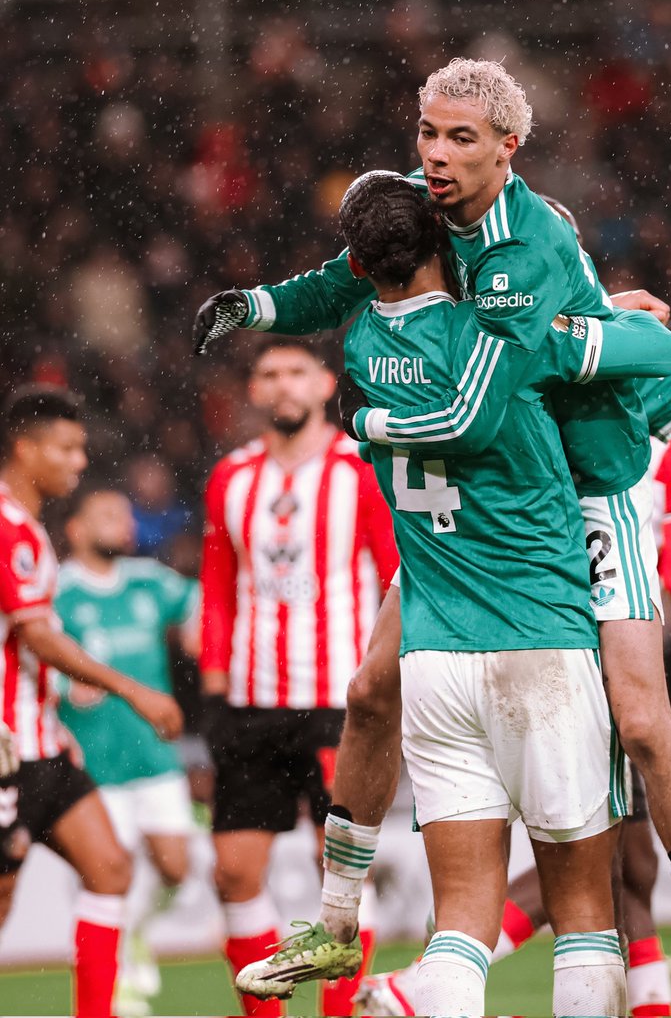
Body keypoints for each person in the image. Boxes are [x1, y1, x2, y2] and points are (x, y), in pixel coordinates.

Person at [196, 60, 671, 1016]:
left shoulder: (532, 262)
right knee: (372, 688)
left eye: (460, 139)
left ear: (511, 149)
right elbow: (341, 281)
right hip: (485, 513)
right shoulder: (428, 223)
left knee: (638, 718)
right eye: (428, 132)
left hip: (594, 503)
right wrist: (255, 305)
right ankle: (339, 922)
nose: (435, 154)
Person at [240, 172, 671, 1016]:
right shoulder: (503, 340)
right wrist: (599, 316)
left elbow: (351, 284)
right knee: (589, 913)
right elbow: (662, 353)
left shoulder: (364, 350)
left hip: (438, 654)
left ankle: (344, 919)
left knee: (462, 923)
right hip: (539, 638)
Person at [199, 338, 397, 1018]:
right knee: (233, 872)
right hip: (251, 703)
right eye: (268, 374)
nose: (282, 386)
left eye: (295, 372)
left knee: (337, 870)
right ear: (253, 391)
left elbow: (395, 573)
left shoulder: (360, 468)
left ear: (323, 385)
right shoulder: (231, 476)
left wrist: (388, 679)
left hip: (340, 702)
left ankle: (339, 1013)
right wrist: (216, 685)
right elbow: (219, 584)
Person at [0, 385, 183, 1018]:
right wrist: (133, 689)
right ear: (27, 449)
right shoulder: (7, 527)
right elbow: (39, 636)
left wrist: (51, 714)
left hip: (43, 742)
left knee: (110, 868)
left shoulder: (30, 529)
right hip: (6, 753)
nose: (80, 462)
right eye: (68, 448)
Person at [56, 488, 199, 1016]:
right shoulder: (58, 591)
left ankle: (136, 933)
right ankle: (112, 973)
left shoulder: (148, 579)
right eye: (107, 515)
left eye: (125, 515)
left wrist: (196, 630)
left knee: (177, 869)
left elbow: (201, 603)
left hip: (155, 755)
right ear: (75, 529)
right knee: (105, 875)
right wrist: (58, 681)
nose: (123, 524)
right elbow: (28, 649)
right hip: (94, 763)